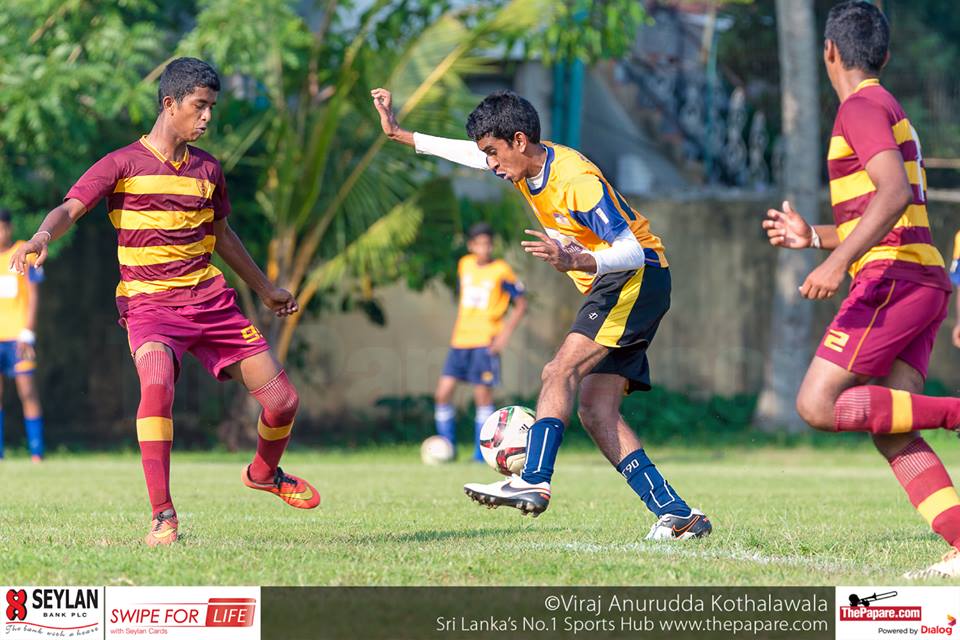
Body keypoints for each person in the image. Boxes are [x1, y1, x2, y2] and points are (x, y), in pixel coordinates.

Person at [372, 87, 711, 539]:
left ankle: (533, 478)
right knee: (596, 410)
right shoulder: (519, 164)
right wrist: (401, 134)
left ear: (518, 140)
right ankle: (678, 515)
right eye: (485, 154)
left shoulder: (575, 179)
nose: (489, 164)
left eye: (493, 152)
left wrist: (581, 261)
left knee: (558, 372)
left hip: (635, 276)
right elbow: (469, 155)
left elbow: (630, 250)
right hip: (619, 282)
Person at [11, 57, 320, 547]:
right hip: (149, 307)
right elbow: (71, 205)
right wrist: (42, 234)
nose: (207, 118)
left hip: (211, 304)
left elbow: (222, 235)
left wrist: (264, 289)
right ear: (169, 103)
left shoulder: (208, 170)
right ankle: (163, 516)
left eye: (212, 108)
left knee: (283, 402)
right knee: (156, 388)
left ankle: (263, 474)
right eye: (199, 106)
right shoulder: (122, 163)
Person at [762, 1, 959, 578]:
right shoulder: (885, 105)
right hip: (920, 277)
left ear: (828, 50)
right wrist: (817, 238)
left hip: (891, 279)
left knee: (815, 404)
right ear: (885, 55)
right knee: (893, 430)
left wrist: (838, 262)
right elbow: (888, 206)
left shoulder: (861, 106)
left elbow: (893, 192)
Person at [435, 222, 526, 460]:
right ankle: (447, 448)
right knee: (443, 393)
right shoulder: (464, 264)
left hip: (485, 341)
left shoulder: (501, 270)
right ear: (471, 245)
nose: (484, 248)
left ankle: (480, 454)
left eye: (488, 244)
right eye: (479, 244)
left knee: (482, 398)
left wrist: (503, 336)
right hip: (460, 341)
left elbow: (521, 304)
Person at [0, 209, 45, 463]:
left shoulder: (22, 252)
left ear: (10, 228)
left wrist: (28, 332)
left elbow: (34, 295)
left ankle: (36, 452)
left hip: (18, 336)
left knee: (27, 390)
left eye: (3, 227)